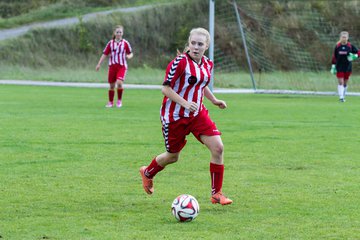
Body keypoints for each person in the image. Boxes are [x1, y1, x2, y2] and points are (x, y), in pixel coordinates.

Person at [139, 28, 232, 205]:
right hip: (174, 116)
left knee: (218, 148)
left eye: (200, 44)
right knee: (173, 156)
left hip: (197, 114)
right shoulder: (180, 63)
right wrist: (184, 103)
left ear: (207, 46)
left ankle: (216, 194)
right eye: (193, 43)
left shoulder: (207, 64)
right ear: (189, 43)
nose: (196, 47)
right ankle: (147, 173)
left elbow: (201, 84)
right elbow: (165, 88)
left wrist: (213, 100)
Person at [96, 25, 133, 108]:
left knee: (119, 83)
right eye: (117, 32)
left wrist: (128, 56)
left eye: (120, 32)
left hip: (122, 66)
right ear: (114, 33)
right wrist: (99, 64)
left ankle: (119, 101)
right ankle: (110, 102)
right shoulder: (110, 43)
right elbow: (104, 54)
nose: (119, 34)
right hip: (112, 66)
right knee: (112, 86)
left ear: (122, 33)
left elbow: (130, 53)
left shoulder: (125, 43)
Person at [331, 31, 359, 102]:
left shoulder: (350, 46)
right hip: (339, 67)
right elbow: (334, 56)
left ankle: (343, 95)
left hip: (348, 67)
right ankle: (341, 98)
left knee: (345, 83)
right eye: (343, 37)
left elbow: (358, 52)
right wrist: (333, 66)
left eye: (345, 37)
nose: (344, 38)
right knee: (341, 82)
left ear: (347, 38)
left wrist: (355, 56)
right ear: (340, 38)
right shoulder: (337, 46)